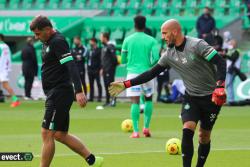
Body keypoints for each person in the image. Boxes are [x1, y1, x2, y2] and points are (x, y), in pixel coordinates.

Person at [109, 19, 227, 167]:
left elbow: (221, 62)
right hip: (191, 97)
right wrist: (126, 84)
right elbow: (151, 73)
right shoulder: (168, 55)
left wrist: (220, 85)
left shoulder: (197, 45)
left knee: (204, 136)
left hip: (211, 97)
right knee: (187, 129)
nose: (163, 37)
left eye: (165, 33)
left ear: (175, 32)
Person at [29, 15, 103, 167]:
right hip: (55, 92)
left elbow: (71, 66)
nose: (36, 37)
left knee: (47, 132)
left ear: (48, 30)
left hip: (59, 92)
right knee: (59, 134)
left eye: (38, 33)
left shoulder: (57, 41)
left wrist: (79, 91)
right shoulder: (49, 39)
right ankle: (93, 160)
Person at [121, 15, 159, 138]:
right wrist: (149, 65)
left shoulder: (127, 40)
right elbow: (157, 58)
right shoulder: (152, 40)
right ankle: (146, 128)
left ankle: (136, 131)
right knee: (148, 98)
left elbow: (122, 60)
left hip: (132, 73)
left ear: (134, 25)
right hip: (147, 73)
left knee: (135, 102)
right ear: (145, 24)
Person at [0, 33, 21, 107]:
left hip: (1, 69)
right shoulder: (6, 46)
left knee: (5, 85)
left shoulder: (1, 46)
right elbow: (10, 57)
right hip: (4, 68)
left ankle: (16, 100)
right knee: (5, 85)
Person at [100, 32, 117, 107]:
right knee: (106, 85)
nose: (100, 38)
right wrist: (102, 68)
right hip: (105, 69)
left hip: (109, 70)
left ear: (105, 38)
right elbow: (104, 60)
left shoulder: (110, 46)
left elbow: (114, 59)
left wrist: (111, 68)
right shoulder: (104, 47)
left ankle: (113, 101)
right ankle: (107, 101)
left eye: (101, 37)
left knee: (111, 85)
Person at [87, 38, 102, 102]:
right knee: (91, 84)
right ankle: (91, 97)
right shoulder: (90, 50)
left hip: (96, 69)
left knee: (98, 83)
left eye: (91, 42)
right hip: (90, 69)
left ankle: (99, 97)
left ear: (95, 42)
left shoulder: (99, 50)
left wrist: (101, 68)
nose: (90, 43)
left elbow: (101, 60)